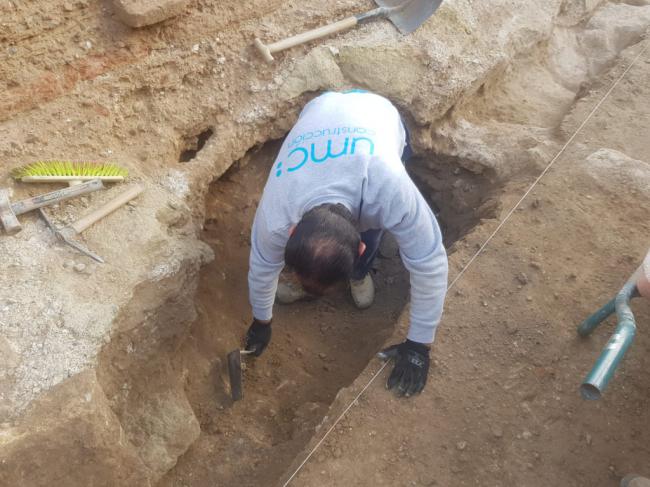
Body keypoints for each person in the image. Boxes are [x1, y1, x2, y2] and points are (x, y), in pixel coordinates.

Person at [243, 90, 448, 397]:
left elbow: (430, 261)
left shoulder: (390, 190)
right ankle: (329, 278)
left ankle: (358, 273)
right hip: (321, 107)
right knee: (360, 223)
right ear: (289, 234)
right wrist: (261, 320)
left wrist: (419, 345)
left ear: (360, 250)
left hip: (380, 114)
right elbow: (261, 270)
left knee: (374, 227)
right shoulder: (275, 214)